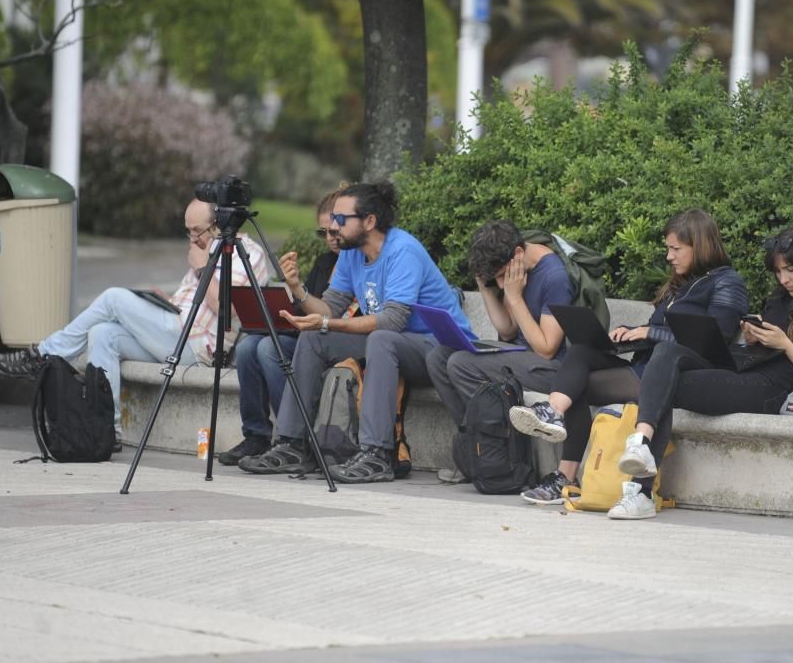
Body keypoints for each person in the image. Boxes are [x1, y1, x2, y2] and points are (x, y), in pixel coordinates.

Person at [608, 225, 793, 520]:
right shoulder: (780, 300)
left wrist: (786, 345)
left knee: (665, 385)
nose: (784, 279)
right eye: (778, 272)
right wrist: (754, 336)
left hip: (773, 390)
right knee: (666, 352)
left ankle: (640, 492)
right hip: (744, 370)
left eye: (792, 269)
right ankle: (641, 445)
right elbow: (768, 342)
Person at [0, 199, 271, 451]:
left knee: (113, 298)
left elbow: (227, 313)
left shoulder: (248, 254)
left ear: (219, 224)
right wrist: (165, 302)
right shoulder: (207, 247)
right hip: (175, 330)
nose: (192, 238)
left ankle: (44, 354)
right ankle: (108, 431)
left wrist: (201, 268)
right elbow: (193, 305)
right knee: (103, 333)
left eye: (197, 231)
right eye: (188, 230)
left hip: (198, 348)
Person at [508, 209, 748, 504]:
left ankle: (565, 467)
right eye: (667, 248)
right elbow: (660, 329)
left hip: (680, 375)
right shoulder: (680, 286)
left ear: (701, 246)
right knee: (581, 355)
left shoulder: (727, 282)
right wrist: (627, 334)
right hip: (645, 367)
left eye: (675, 249)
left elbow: (715, 341)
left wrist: (649, 333)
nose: (669, 257)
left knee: (583, 381)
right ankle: (557, 434)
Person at [237, 182, 472, 483]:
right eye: (333, 218)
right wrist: (296, 289)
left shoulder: (403, 251)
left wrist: (327, 324)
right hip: (390, 346)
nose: (332, 227)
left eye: (341, 219)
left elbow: (392, 321)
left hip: (439, 348)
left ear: (369, 221)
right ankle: (293, 444)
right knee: (313, 338)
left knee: (381, 339)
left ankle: (378, 454)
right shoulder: (352, 253)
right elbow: (330, 308)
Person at [425, 220, 574, 483]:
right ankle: (477, 446)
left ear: (517, 253)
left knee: (461, 364)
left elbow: (547, 349)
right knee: (439, 357)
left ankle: (496, 450)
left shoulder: (554, 277)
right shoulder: (515, 268)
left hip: (553, 371)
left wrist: (514, 297)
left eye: (501, 274)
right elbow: (507, 330)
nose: (500, 281)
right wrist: (485, 287)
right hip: (520, 357)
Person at [217, 191, 346, 466]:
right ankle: (257, 435)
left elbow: (339, 312)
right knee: (249, 346)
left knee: (267, 348)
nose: (329, 239)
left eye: (334, 231)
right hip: (304, 334)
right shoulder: (324, 263)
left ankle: (292, 438)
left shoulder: (353, 262)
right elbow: (302, 308)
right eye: (322, 232)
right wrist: (287, 297)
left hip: (331, 339)